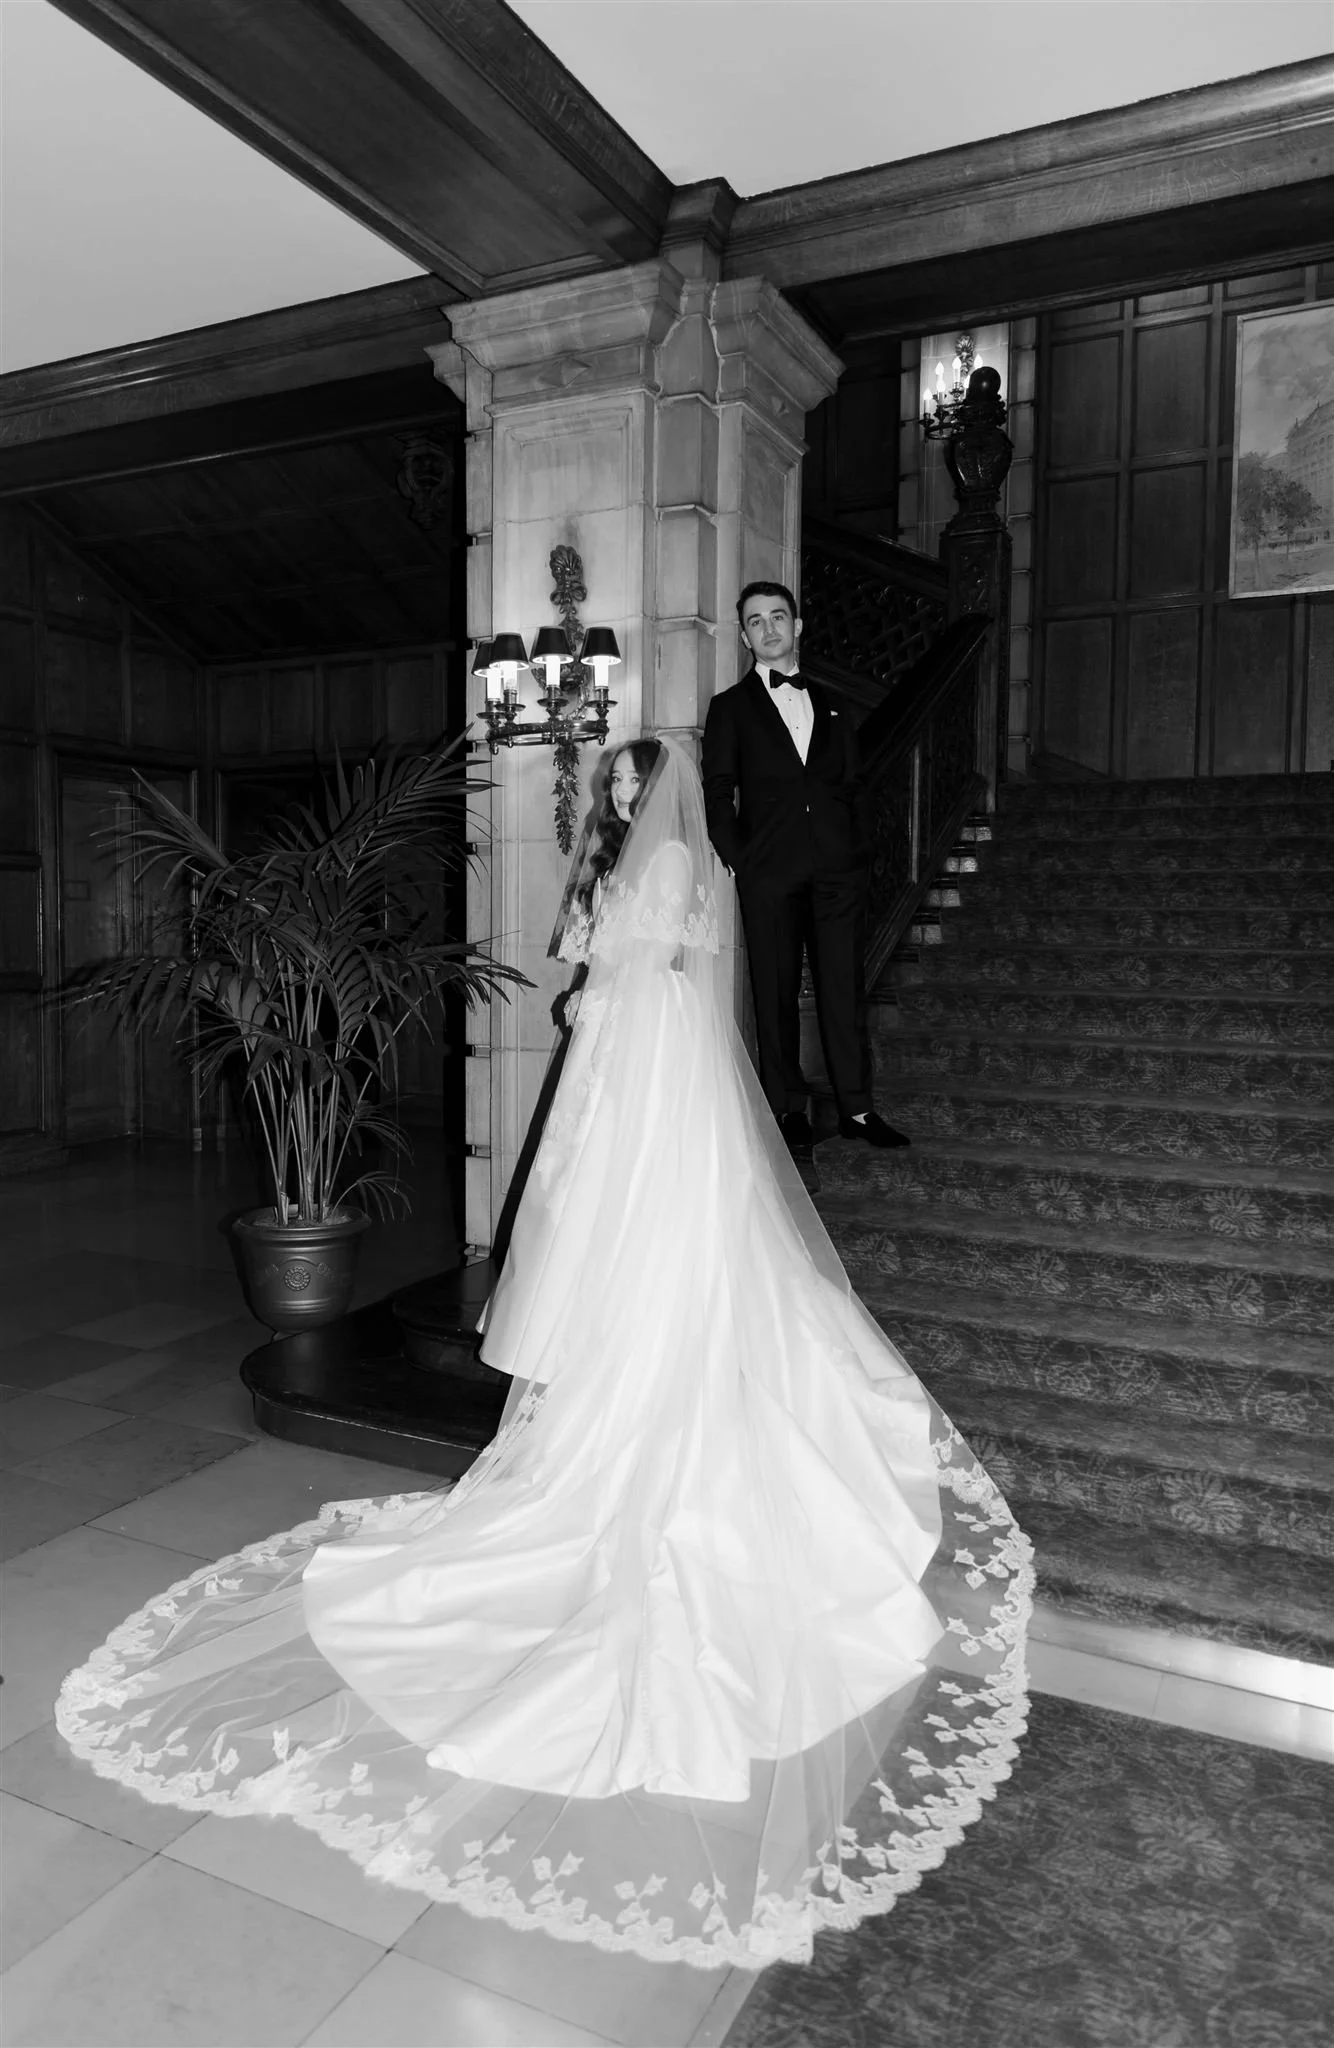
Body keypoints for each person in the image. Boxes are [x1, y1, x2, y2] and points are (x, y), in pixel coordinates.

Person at [57, 735, 1031, 1973]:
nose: (626, 799)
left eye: (635, 784)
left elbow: (658, 963)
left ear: (659, 789)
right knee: (597, 1231)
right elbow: (601, 962)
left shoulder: (676, 855)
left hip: (651, 1068)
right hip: (621, 1062)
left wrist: (600, 976)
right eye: (620, 788)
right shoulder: (638, 857)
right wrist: (590, 978)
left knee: (642, 1230)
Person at [702, 580, 910, 1164]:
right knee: (775, 993)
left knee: (844, 987)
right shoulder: (729, 709)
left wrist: (857, 852)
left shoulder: (835, 703)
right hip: (769, 872)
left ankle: (858, 1108)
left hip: (838, 873)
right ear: (745, 636)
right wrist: (742, 860)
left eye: (778, 617)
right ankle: (787, 1109)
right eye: (756, 621)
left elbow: (855, 786)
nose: (769, 629)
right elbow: (718, 793)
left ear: (798, 625)